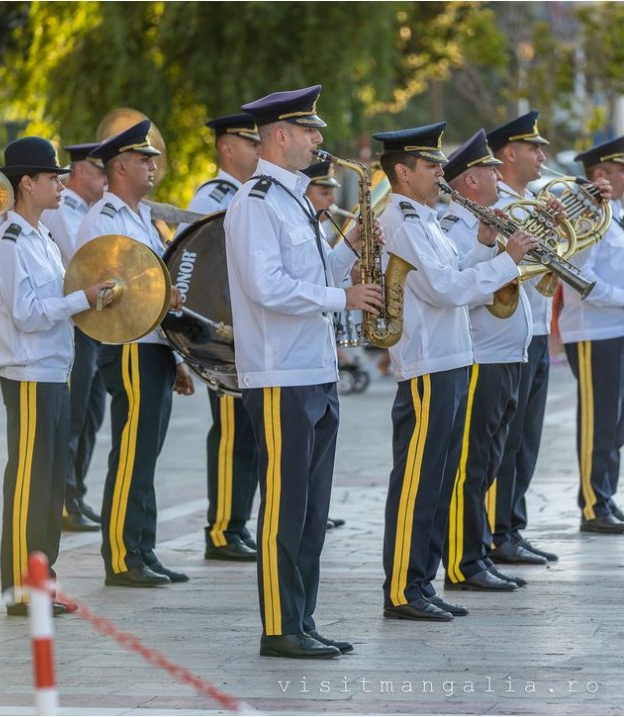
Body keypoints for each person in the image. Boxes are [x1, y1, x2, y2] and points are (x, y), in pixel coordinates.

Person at [225, 85, 383, 659]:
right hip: (278, 375)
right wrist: (344, 296)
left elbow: (312, 274)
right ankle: (279, 626)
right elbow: (267, 289)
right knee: (285, 508)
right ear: (282, 136)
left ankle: (304, 619)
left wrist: (352, 250)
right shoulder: (255, 202)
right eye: (310, 130)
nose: (320, 139)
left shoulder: (296, 201)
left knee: (313, 511)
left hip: (315, 370)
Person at [375, 122, 534, 621]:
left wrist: (487, 246)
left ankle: (421, 581)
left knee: (438, 480)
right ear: (403, 172)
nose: (441, 170)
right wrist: (506, 262)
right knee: (418, 482)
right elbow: (444, 289)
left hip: (449, 359)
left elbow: (458, 271)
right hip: (426, 363)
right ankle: (403, 587)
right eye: (430, 164)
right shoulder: (401, 220)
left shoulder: (424, 217)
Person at [0, 137, 112, 615]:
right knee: (28, 486)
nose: (60, 185)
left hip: (52, 372)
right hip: (28, 375)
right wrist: (83, 299)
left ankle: (41, 580)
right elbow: (27, 314)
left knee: (50, 486)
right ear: (27, 183)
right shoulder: (12, 241)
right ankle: (21, 590)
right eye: (52, 178)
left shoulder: (42, 238)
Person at [79, 119, 195, 588]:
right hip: (127, 347)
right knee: (130, 453)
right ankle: (123, 558)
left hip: (154, 345)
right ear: (120, 166)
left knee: (146, 453)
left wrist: (178, 356)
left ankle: (143, 548)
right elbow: (107, 288)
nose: (153, 165)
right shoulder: (103, 220)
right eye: (144, 159)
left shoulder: (142, 216)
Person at [438, 129, 531, 592]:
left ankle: (475, 553)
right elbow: (459, 290)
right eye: (491, 169)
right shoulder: (453, 229)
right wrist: (503, 254)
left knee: (490, 462)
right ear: (470, 181)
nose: (499, 175)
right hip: (481, 356)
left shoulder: (485, 223)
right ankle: (463, 560)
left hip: (507, 355)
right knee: (471, 466)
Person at [559, 135, 624, 534]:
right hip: (594, 332)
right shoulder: (586, 214)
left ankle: (607, 496)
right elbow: (576, 274)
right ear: (601, 173)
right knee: (598, 423)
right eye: (622, 168)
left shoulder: (618, 213)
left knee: (617, 423)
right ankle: (593, 505)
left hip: (622, 329)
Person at [182, 112, 261, 562]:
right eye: (250, 143)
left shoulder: (246, 195)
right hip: (224, 334)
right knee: (232, 435)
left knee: (246, 436)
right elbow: (196, 265)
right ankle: (222, 530)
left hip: (245, 331)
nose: (257, 150)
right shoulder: (213, 196)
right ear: (227, 148)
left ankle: (236, 523)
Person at [485, 110, 560, 564]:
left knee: (528, 438)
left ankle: (512, 523)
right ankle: (496, 531)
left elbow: (561, 259)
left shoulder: (536, 200)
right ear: (509, 153)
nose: (542, 156)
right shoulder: (499, 206)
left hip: (536, 326)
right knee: (507, 438)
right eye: (534, 148)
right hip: (509, 329)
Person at [41, 141, 107, 532]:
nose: (104, 178)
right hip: (76, 321)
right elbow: (83, 259)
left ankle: (76, 492)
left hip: (91, 320)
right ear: (80, 171)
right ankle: (66, 498)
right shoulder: (65, 210)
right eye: (99, 171)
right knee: (75, 415)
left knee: (90, 413)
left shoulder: (84, 209)